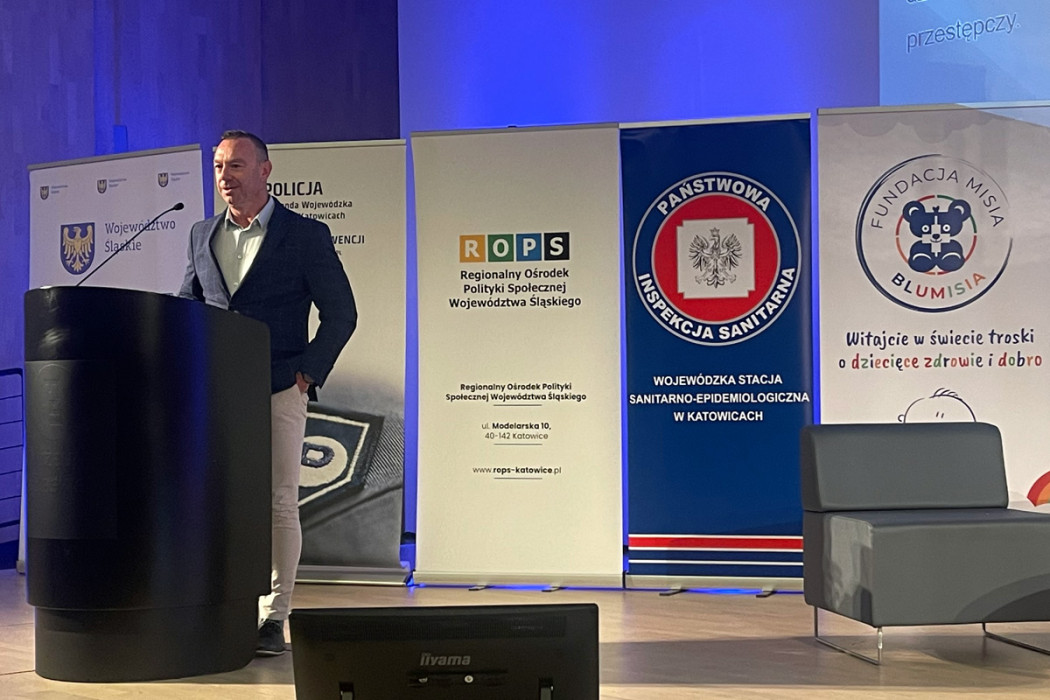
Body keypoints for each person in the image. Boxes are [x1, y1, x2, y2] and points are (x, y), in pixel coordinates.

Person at [179, 130, 357, 655]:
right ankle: (223, 607)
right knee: (219, 502)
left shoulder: (304, 235)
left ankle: (273, 618)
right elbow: (189, 304)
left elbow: (342, 314)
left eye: (235, 165)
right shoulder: (200, 234)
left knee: (279, 503)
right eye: (218, 166)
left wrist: (306, 374)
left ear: (265, 170)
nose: (224, 176)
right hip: (217, 392)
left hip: (280, 387)